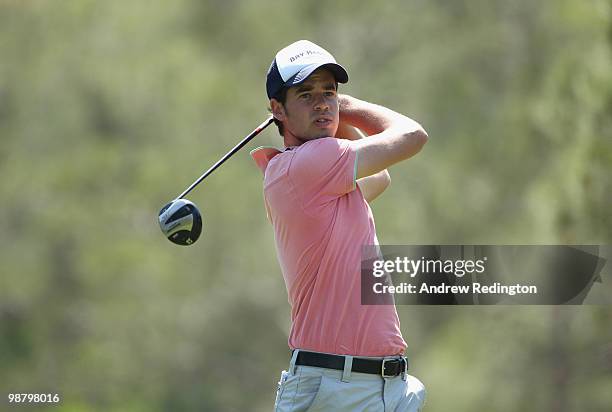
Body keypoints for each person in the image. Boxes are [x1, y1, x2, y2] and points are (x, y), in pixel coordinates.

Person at [250, 40, 428, 412]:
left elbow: (379, 179)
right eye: (306, 94)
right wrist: (348, 107)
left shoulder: (311, 174)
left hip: (382, 386)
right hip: (335, 391)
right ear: (277, 109)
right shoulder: (310, 163)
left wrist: (331, 116)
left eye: (329, 92)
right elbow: (412, 136)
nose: (322, 102)